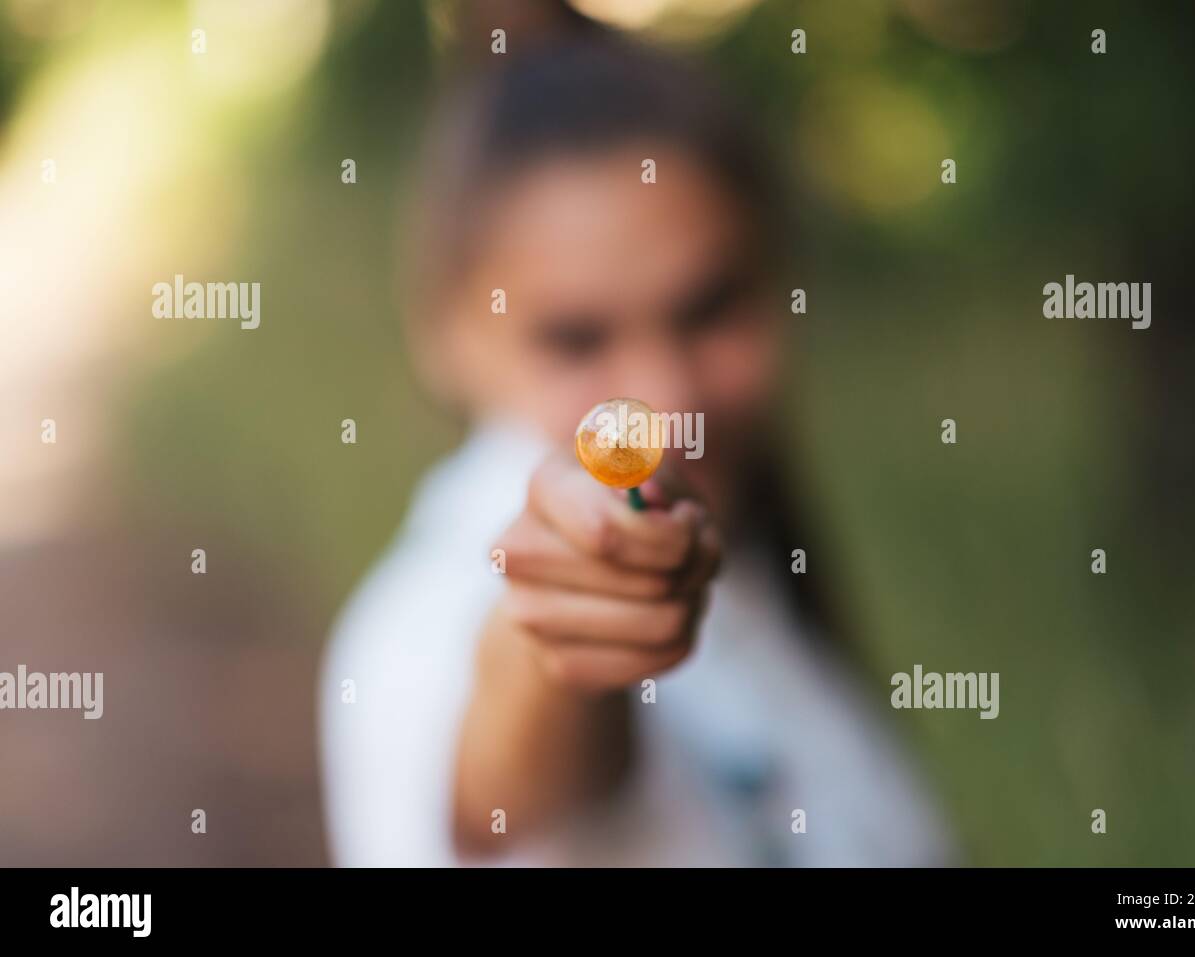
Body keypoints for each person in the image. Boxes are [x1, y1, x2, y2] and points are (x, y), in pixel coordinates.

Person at [318, 30, 951, 867]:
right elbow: (508, 770)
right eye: (577, 339)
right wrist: (560, 643)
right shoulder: (416, 631)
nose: (666, 401)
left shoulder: (753, 561)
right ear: (444, 334)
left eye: (709, 309)